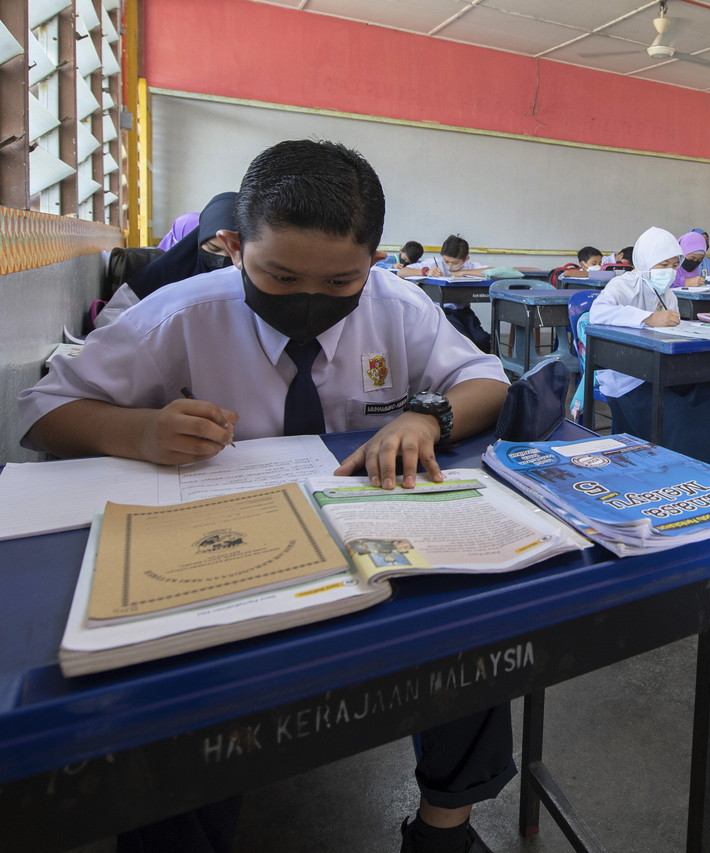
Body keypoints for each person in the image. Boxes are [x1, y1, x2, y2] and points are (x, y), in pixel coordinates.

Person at [18, 140, 512, 853]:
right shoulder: (182, 314)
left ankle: (444, 829)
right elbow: (43, 410)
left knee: (470, 623)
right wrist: (140, 430)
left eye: (341, 282)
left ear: (373, 262)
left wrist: (423, 414)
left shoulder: (398, 306)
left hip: (365, 539)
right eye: (278, 276)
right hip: (232, 554)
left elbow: (486, 382)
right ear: (231, 248)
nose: (309, 301)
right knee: (175, 689)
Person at [590, 226, 710, 472]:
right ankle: (680, 476)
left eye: (673, 265)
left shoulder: (668, 295)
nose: (669, 272)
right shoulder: (622, 286)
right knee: (679, 414)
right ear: (645, 261)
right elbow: (598, 313)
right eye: (662, 265)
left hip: (663, 373)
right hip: (628, 378)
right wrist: (647, 318)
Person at [95, 192, 238, 328]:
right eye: (213, 249)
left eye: (236, 251)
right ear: (198, 240)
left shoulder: (254, 278)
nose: (224, 260)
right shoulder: (167, 270)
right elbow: (109, 318)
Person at [401, 234, 492, 279]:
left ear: (466, 259)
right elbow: (401, 272)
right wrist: (427, 272)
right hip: (439, 308)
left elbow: (496, 272)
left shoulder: (469, 266)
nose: (449, 266)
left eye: (455, 263)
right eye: (446, 261)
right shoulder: (433, 263)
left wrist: (463, 272)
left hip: (462, 310)